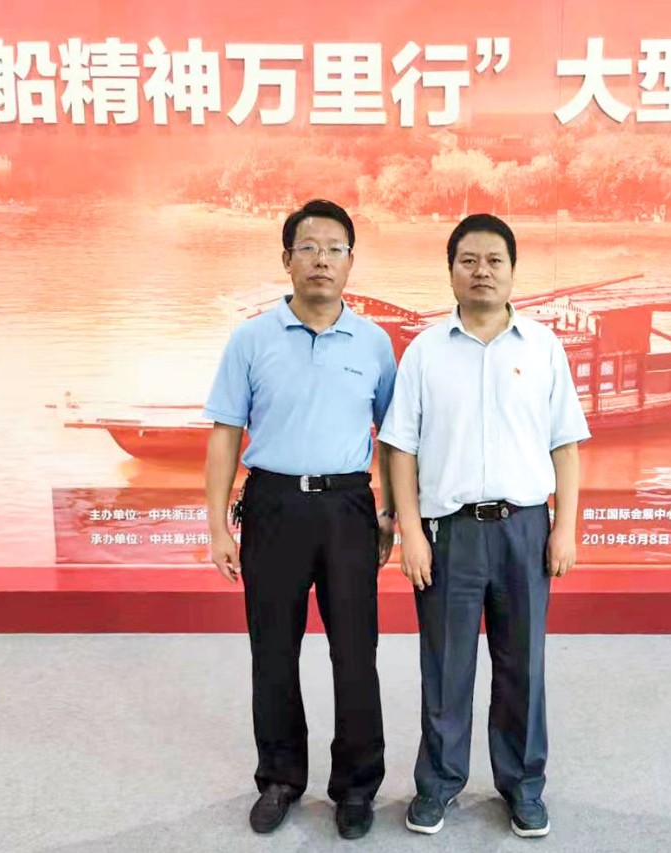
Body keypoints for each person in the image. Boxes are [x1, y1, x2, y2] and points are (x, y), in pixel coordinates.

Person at [379, 213, 590, 838]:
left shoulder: (543, 348)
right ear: (451, 271)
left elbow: (565, 445)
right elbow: (400, 449)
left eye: (494, 260)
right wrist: (411, 532)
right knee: (446, 667)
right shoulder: (425, 352)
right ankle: (438, 785)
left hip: (525, 528)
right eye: (468, 260)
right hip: (451, 534)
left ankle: (523, 786)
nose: (482, 271)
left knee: (523, 664)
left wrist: (565, 528)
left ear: (513, 271)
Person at [203, 199, 398, 840]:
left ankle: (356, 788)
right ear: (286, 259)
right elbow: (225, 434)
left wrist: (391, 511)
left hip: (347, 507)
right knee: (273, 651)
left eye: (335, 249)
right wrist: (216, 525)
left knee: (356, 653)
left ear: (351, 261)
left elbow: (395, 437)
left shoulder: (374, 342)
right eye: (308, 248)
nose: (322, 260)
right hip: (273, 505)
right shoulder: (251, 339)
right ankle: (280, 779)